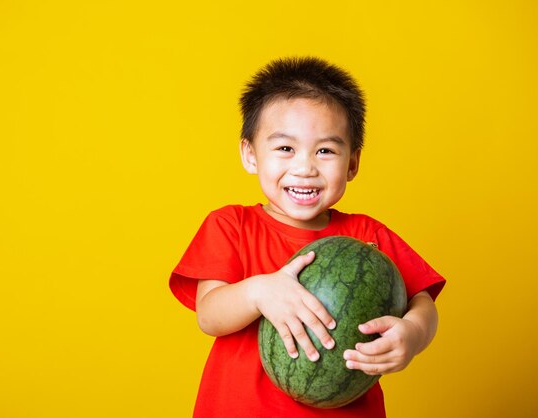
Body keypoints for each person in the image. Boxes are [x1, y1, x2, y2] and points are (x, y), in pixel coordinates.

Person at [169, 56, 446, 417]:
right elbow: (209, 314)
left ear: (352, 164)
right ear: (250, 155)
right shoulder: (231, 225)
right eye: (285, 148)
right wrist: (258, 291)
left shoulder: (367, 235)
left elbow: (423, 303)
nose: (305, 167)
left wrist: (412, 335)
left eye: (326, 151)